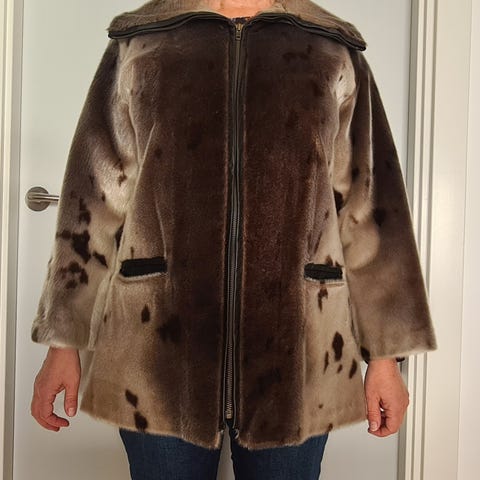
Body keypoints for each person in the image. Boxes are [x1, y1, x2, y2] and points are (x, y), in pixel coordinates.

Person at [30, 0, 437, 478]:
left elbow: (371, 207)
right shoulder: (141, 43)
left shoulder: (332, 49)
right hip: (157, 354)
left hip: (297, 356)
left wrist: (385, 356)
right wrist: (63, 341)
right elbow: (92, 201)